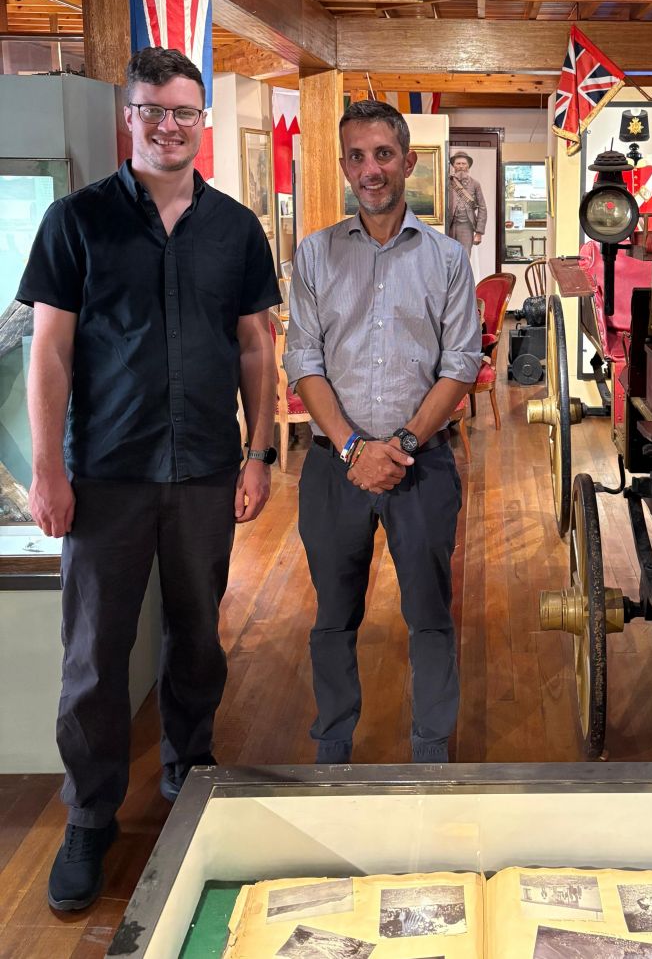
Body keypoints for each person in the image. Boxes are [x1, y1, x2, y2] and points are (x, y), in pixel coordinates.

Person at [17, 46, 280, 913]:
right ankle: (90, 816)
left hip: (204, 466)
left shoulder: (237, 228)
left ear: (201, 121)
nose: (168, 125)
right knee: (93, 656)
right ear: (127, 116)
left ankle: (187, 781)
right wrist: (48, 468)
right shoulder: (76, 221)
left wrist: (259, 450)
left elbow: (254, 343)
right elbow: (48, 350)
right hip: (106, 475)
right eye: (152, 109)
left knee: (199, 637)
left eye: (183, 111)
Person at [286, 100, 480, 765]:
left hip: (422, 464)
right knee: (333, 615)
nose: (371, 169)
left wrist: (398, 444)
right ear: (344, 165)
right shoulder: (314, 255)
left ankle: (431, 748)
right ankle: (332, 744)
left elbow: (461, 363)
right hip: (331, 466)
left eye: (384, 154)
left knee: (429, 612)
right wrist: (350, 447)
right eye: (358, 156)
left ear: (409, 162)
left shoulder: (448, 259)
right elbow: (302, 358)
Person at [446, 151, 487, 255]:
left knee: (464, 257)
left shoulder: (475, 184)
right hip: (449, 225)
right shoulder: (447, 182)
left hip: (466, 227)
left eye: (463, 164)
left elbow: (482, 208)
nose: (461, 166)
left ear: (468, 166)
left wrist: (479, 232)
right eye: (458, 163)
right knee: (448, 257)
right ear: (453, 166)